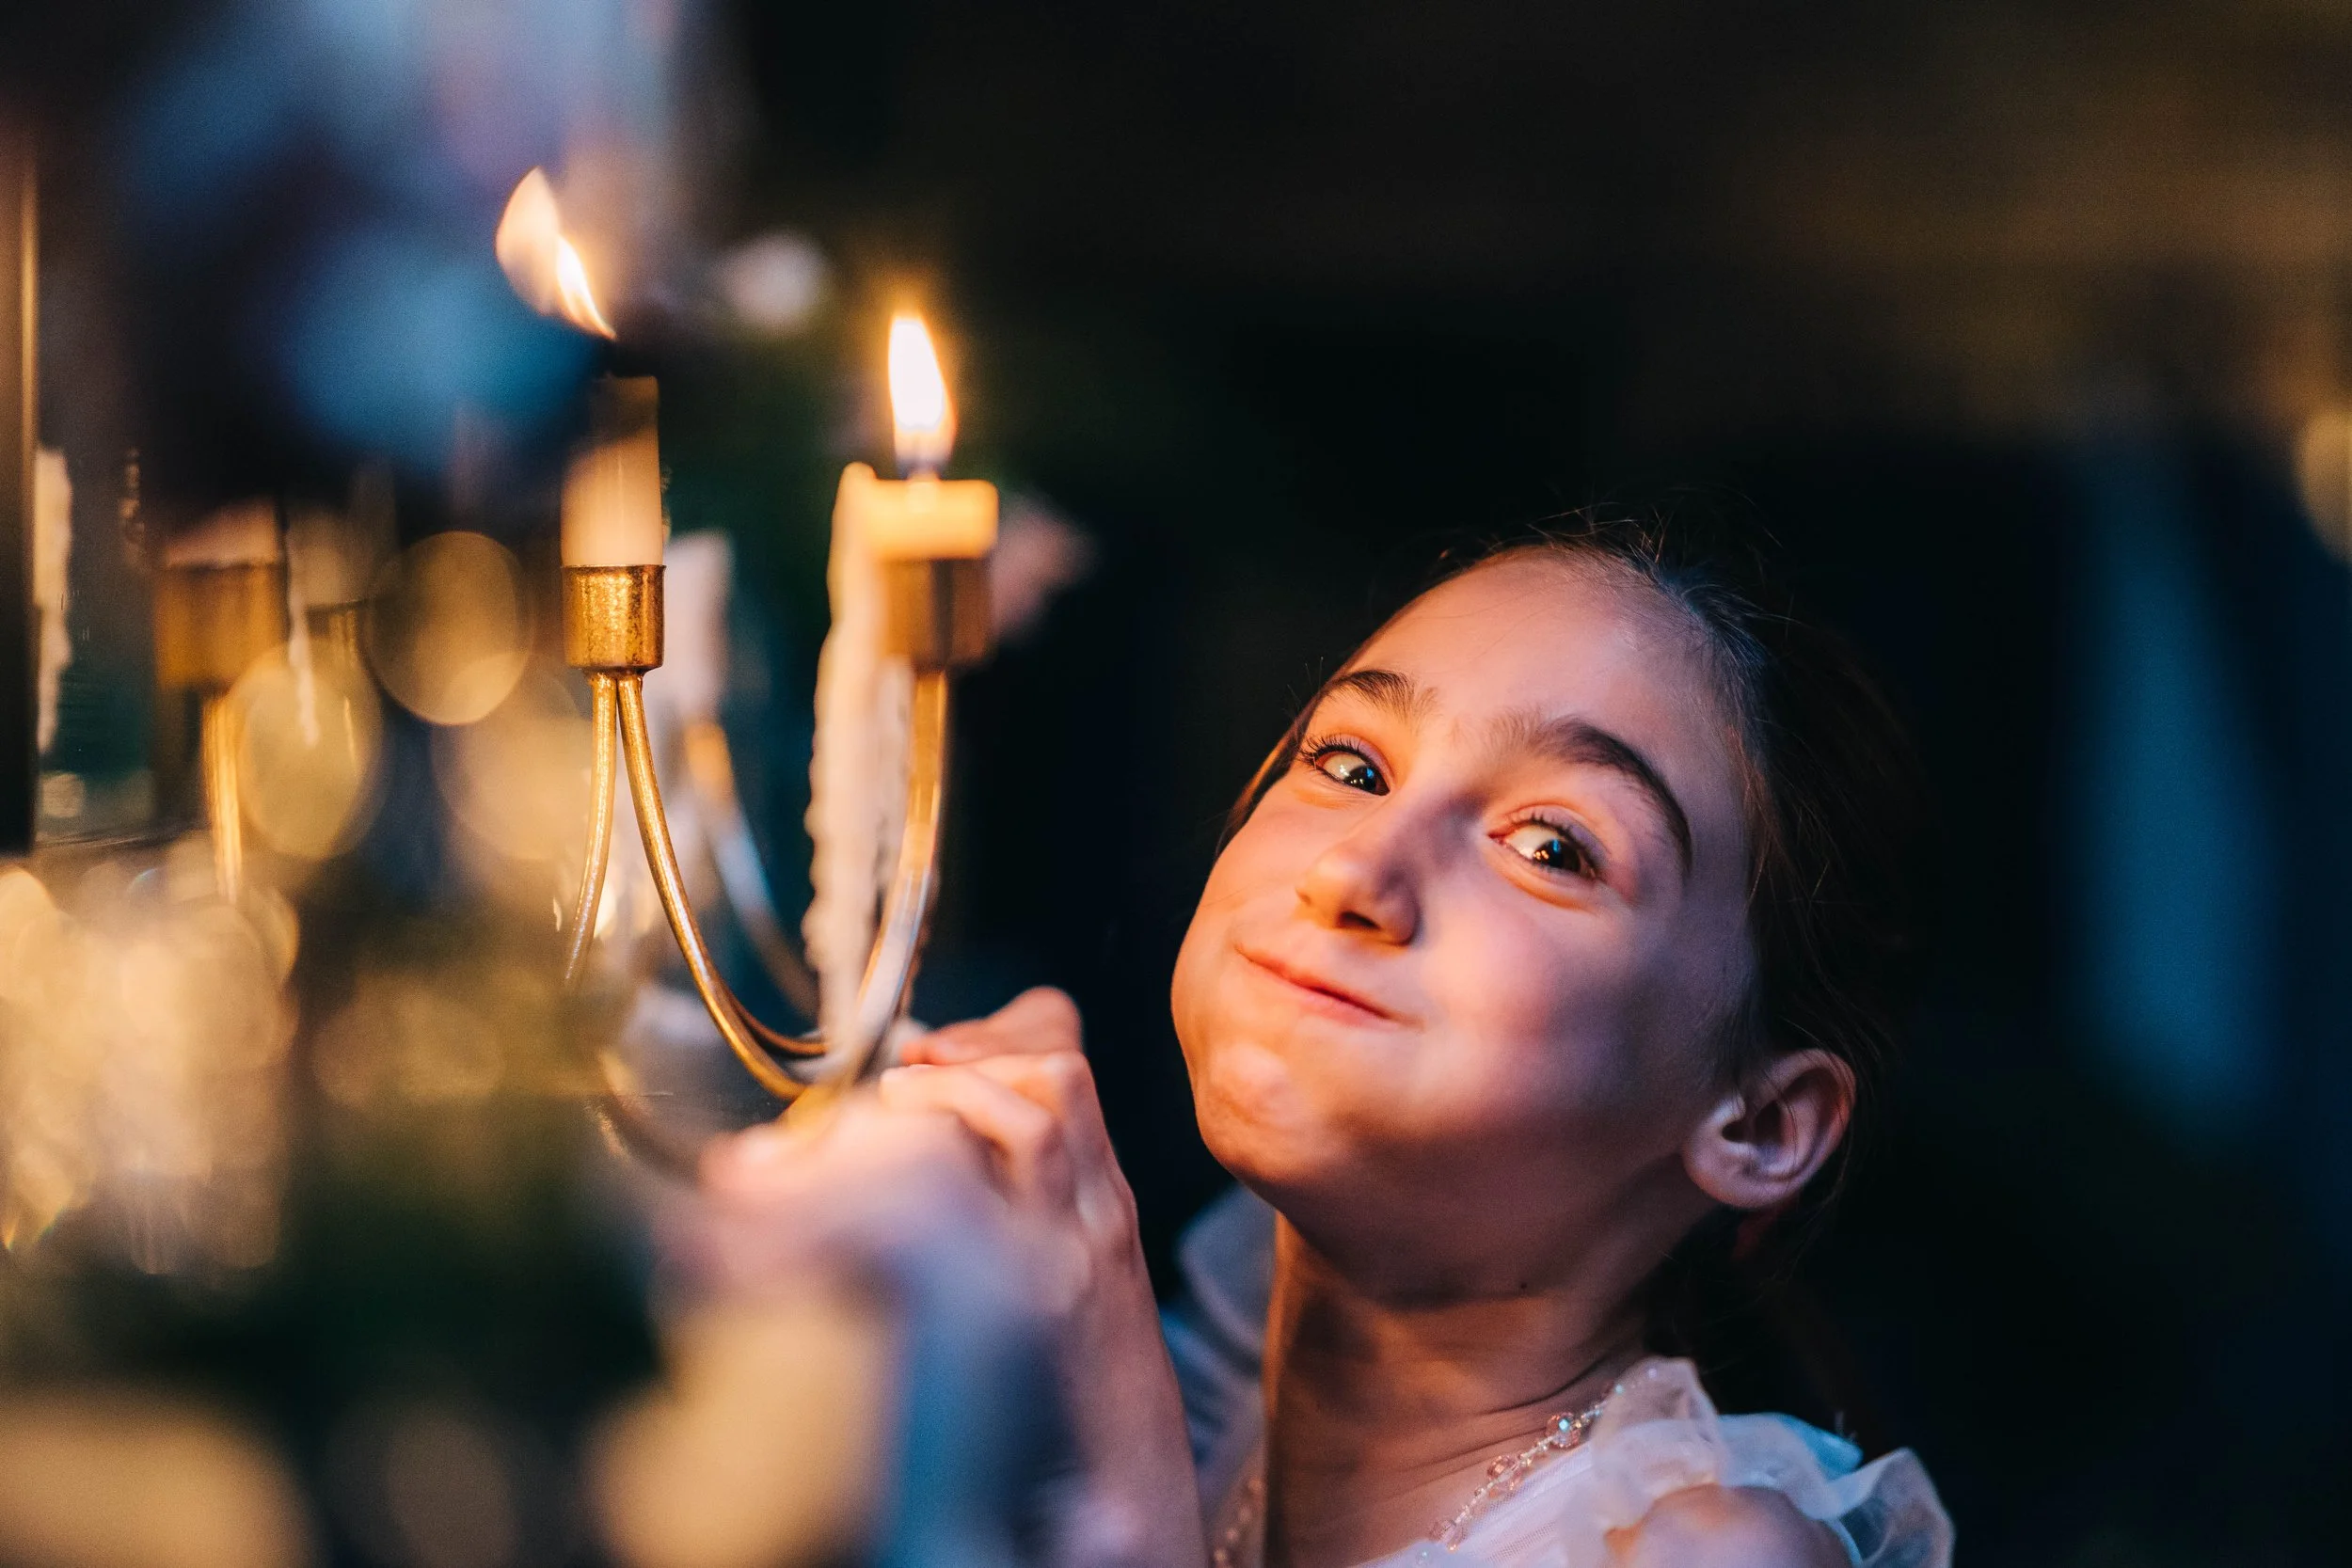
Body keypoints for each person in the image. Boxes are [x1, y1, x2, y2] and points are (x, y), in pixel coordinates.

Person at [697, 513, 1954, 1567]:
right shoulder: (1207, 1408)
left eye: (1553, 847)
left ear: (1760, 1122)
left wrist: (1124, 1467)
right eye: (1352, 763)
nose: (1360, 866)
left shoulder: (1702, 1552)